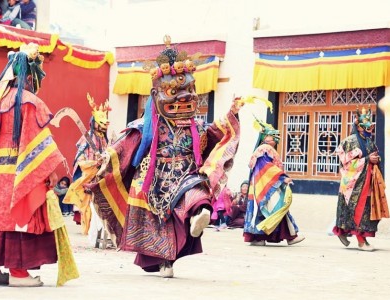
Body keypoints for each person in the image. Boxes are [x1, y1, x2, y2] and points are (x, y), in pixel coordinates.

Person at [90, 35, 242, 278]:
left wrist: (232, 114)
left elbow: (216, 134)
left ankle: (199, 216)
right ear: (155, 94)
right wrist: (104, 160)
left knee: (197, 195)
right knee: (162, 226)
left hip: (185, 174)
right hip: (154, 180)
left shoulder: (196, 126)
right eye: (173, 91)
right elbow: (123, 148)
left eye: (189, 90)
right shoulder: (145, 127)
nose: (184, 97)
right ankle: (165, 263)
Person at [0, 43, 79, 287]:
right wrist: (50, 170)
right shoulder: (29, 102)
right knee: (19, 217)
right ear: (29, 76)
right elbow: (36, 141)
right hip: (19, 173)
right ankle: (19, 273)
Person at [333, 107, 388, 251]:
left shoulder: (369, 141)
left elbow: (374, 157)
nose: (370, 128)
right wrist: (366, 160)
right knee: (357, 209)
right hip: (353, 183)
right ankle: (361, 241)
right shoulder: (349, 141)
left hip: (368, 180)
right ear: (358, 126)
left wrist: (376, 160)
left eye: (371, 125)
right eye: (367, 126)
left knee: (366, 210)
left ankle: (342, 231)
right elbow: (345, 163)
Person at [243, 118, 305, 246]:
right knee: (277, 207)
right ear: (265, 137)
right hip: (265, 185)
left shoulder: (264, 149)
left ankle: (261, 238)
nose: (275, 138)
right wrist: (282, 177)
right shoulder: (264, 149)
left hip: (264, 185)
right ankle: (287, 237)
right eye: (272, 136)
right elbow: (266, 167)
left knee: (274, 208)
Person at [63, 95, 111, 236]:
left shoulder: (104, 139)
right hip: (89, 172)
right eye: (100, 122)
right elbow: (80, 158)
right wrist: (91, 163)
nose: (103, 126)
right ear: (94, 122)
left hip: (101, 172)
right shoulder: (86, 138)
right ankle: (88, 228)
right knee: (87, 200)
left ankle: (99, 229)